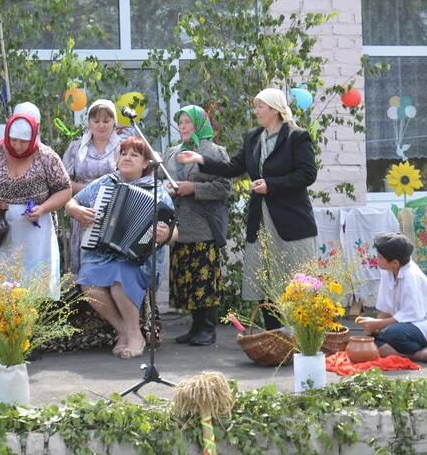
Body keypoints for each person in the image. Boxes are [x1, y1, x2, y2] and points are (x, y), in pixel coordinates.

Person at [178, 88, 317, 330]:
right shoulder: (253, 137)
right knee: (264, 277)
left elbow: (307, 174)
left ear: (275, 109)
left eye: (260, 107)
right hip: (260, 219)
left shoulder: (297, 136)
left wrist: (271, 185)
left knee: (295, 277)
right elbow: (233, 167)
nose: (256, 112)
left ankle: (301, 334)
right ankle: (273, 333)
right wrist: (200, 159)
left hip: (291, 221)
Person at [0, 107, 72, 363]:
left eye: (24, 141)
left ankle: (26, 341)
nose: (18, 146)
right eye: (14, 140)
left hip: (33, 229)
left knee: (30, 284)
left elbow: (64, 190)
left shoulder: (47, 156)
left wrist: (44, 208)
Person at [65, 136, 178, 358]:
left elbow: (175, 233)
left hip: (136, 258)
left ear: (146, 163)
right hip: (101, 254)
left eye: (134, 155)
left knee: (119, 280)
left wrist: (165, 235)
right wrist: (75, 210)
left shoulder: (157, 190)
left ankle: (135, 334)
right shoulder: (105, 183)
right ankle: (123, 331)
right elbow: (72, 201)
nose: (127, 158)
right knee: (88, 282)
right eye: (123, 154)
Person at [162, 105, 231, 346]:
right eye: (179, 122)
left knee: (203, 278)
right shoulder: (171, 153)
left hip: (203, 225)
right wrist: (168, 189)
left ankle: (208, 329)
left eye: (187, 122)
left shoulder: (214, 152)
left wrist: (194, 188)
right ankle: (195, 326)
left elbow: (224, 188)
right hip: (178, 226)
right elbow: (162, 182)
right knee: (185, 278)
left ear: (200, 124)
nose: (182, 126)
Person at [62, 99, 122, 273]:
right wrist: (90, 192)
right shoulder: (76, 148)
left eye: (106, 120)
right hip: (83, 214)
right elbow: (63, 182)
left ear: (114, 122)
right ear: (89, 122)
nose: (101, 125)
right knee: (85, 270)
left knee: (111, 269)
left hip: (113, 214)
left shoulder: (123, 147)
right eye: (96, 121)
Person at [357, 233, 427, 362]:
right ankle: (416, 354)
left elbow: (413, 315)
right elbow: (385, 308)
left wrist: (378, 324)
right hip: (402, 326)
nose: (376, 259)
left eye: (379, 257)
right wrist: (374, 328)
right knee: (373, 341)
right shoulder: (387, 271)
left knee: (391, 333)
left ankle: (420, 354)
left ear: (395, 263)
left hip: (420, 324)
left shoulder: (411, 276)